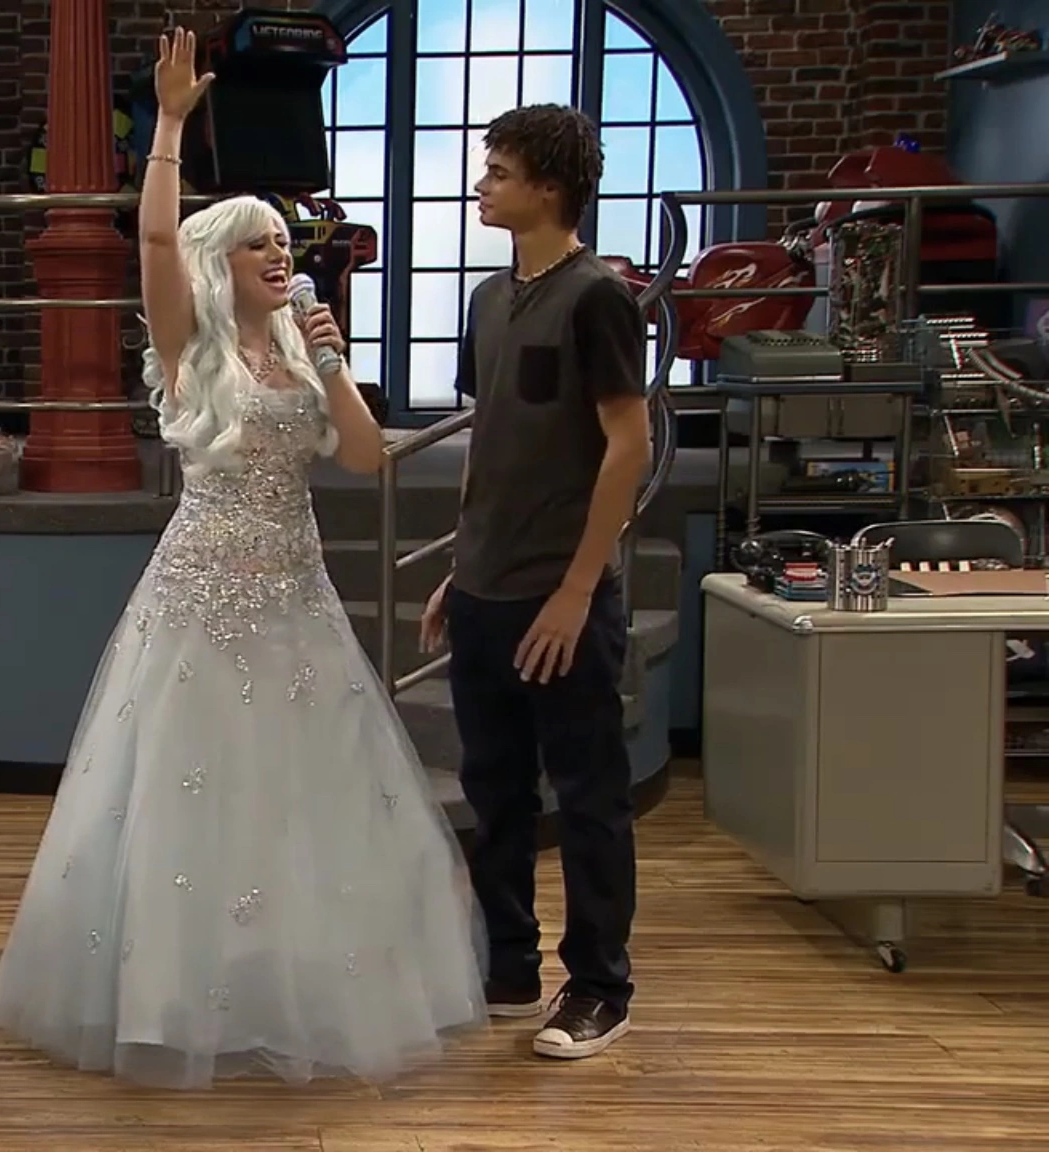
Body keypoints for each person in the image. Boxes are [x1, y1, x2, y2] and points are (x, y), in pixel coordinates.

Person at [0, 30, 487, 1091]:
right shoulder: (191, 348)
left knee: (301, 799)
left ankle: (287, 985)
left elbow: (364, 458)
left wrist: (334, 358)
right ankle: (173, 992)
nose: (277, 253)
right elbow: (153, 242)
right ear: (221, 264)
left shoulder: (302, 350)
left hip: (296, 595)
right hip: (202, 592)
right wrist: (169, 123)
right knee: (190, 790)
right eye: (257, 242)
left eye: (284, 241)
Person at [418, 104, 652, 1061]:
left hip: (563, 596)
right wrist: (459, 564)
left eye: (499, 172)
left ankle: (600, 987)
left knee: (588, 797)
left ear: (549, 189)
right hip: (485, 587)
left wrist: (576, 590)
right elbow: (491, 440)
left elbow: (628, 445)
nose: (482, 186)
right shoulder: (488, 299)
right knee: (496, 790)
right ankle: (508, 964)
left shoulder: (599, 297)